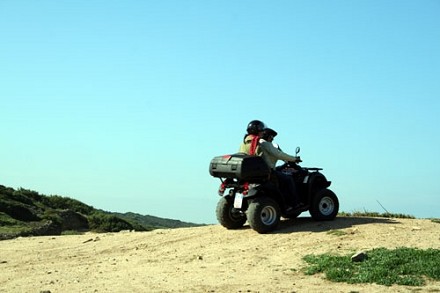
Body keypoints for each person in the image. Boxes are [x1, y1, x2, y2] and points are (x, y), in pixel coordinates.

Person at [258, 127, 302, 211]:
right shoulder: (265, 144)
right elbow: (279, 154)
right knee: (288, 179)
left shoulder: (258, 143)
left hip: (262, 170)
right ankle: (295, 203)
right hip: (269, 170)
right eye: (271, 137)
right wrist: (294, 159)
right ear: (267, 136)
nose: (272, 139)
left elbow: (276, 155)